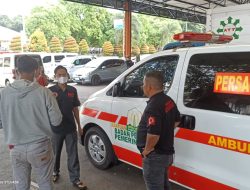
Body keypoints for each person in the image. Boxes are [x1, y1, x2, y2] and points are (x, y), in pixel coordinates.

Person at [0, 55, 62, 190]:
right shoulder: (44, 92)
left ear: (17, 71)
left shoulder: (4, 93)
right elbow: (57, 121)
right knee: (45, 183)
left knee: (21, 185)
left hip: (16, 147)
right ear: (36, 71)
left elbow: (2, 120)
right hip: (40, 147)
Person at [136, 71, 181, 190]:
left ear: (149, 87)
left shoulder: (154, 106)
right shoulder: (168, 100)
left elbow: (153, 135)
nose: (142, 87)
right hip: (167, 154)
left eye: (143, 84)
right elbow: (177, 120)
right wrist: (166, 131)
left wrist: (146, 151)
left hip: (155, 156)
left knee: (155, 186)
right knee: (164, 184)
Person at [49, 65, 87, 190]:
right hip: (56, 129)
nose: (62, 77)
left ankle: (75, 178)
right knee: (56, 153)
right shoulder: (50, 91)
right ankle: (55, 172)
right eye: (59, 75)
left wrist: (79, 126)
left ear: (67, 75)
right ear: (55, 77)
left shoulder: (72, 90)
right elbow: (45, 110)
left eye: (64, 74)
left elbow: (75, 108)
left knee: (73, 154)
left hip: (70, 128)